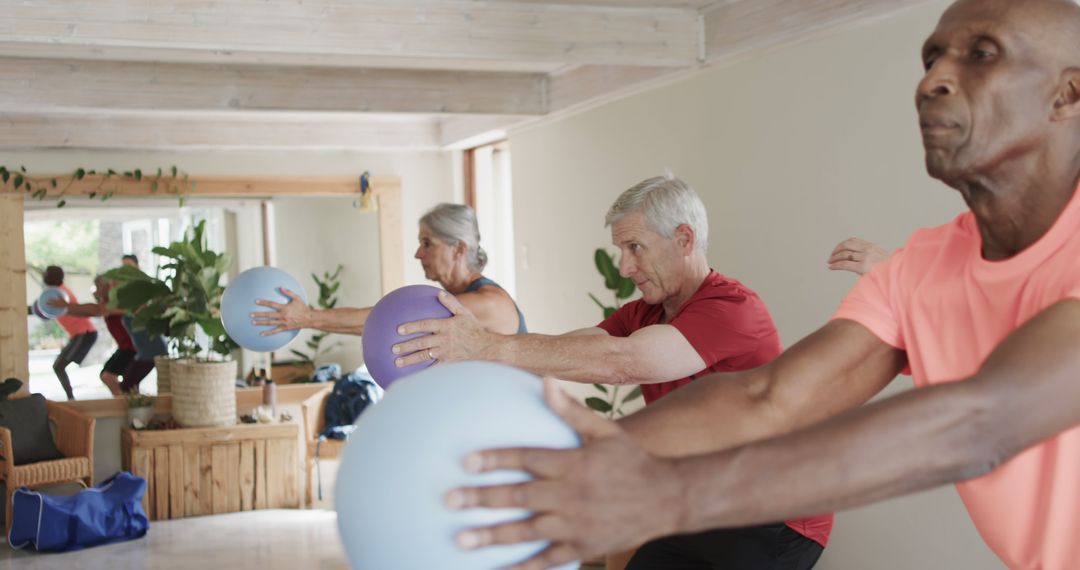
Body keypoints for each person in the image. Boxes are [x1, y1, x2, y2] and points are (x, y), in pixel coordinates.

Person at [439, 1, 1080, 569]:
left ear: (1067, 94)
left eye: (982, 54)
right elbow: (767, 398)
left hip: (771, 523)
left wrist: (667, 490)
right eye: (931, 56)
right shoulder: (923, 267)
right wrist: (574, 473)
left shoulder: (733, 306)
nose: (933, 79)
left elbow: (979, 425)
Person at [394, 175, 832, 569]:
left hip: (774, 516)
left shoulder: (732, 308)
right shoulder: (645, 311)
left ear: (683, 238)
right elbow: (582, 347)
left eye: (634, 248)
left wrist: (488, 345)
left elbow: (624, 362)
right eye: (620, 251)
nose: (624, 267)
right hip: (703, 501)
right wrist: (481, 352)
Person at [250, 203, 526, 337]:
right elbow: (384, 325)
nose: (418, 253)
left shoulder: (488, 303)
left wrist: (308, 317)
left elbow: (387, 320)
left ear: (459, 249)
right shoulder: (461, 298)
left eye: (427, 243)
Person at [52, 274, 131, 396]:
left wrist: (65, 306)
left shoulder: (117, 301)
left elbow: (97, 310)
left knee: (108, 376)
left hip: (132, 347)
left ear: (107, 286)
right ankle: (126, 403)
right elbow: (88, 312)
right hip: (125, 347)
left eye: (98, 287)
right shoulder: (106, 301)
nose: (96, 291)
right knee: (109, 376)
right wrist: (64, 308)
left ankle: (127, 404)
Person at [40, 266, 98, 401]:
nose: (44, 275)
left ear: (54, 277)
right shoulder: (55, 292)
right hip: (79, 334)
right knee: (58, 367)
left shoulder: (60, 293)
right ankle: (71, 398)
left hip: (84, 333)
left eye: (46, 273)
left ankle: (71, 399)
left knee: (59, 366)